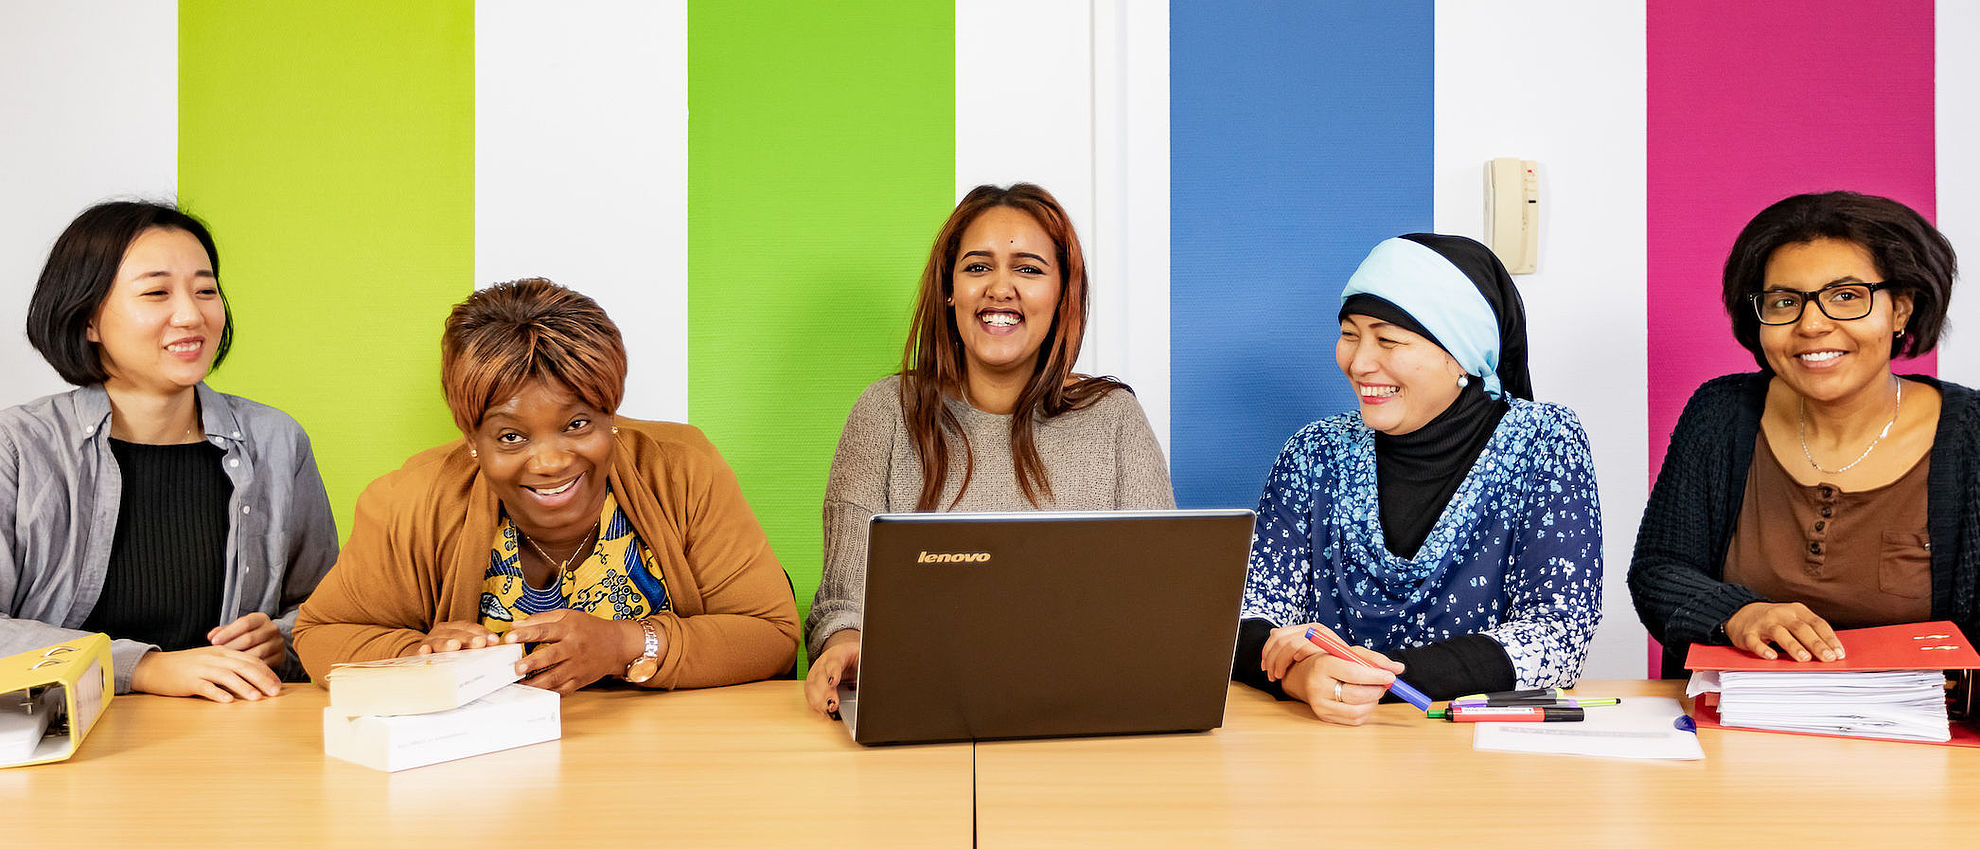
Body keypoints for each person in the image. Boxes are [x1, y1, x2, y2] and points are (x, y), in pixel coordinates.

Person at [294, 279, 797, 692]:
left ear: (609, 414)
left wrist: (626, 645)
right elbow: (321, 635)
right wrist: (419, 655)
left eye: (577, 424)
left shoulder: (681, 470)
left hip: (665, 765)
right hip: (483, 773)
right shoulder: (410, 500)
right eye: (511, 436)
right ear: (472, 438)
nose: (552, 461)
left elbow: (771, 634)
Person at [803, 183, 1175, 715]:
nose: (1001, 288)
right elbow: (843, 604)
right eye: (978, 267)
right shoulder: (884, 412)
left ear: (1061, 294)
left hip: (1083, 712)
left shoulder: (1115, 419)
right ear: (949, 290)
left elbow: (1158, 604)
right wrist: (844, 646)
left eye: (1028, 269)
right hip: (918, 709)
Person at [1233, 234, 1602, 725]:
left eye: (1388, 340)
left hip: (1476, 752)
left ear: (1463, 353)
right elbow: (1243, 615)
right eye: (1349, 334)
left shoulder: (1544, 441)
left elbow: (1558, 634)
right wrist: (1306, 673)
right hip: (1326, 745)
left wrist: (1362, 676)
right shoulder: (1313, 452)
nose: (1359, 362)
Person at [0, 201, 337, 702]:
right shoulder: (19, 445)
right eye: (157, 292)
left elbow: (328, 610)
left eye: (206, 290)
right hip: (64, 743)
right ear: (88, 319)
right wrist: (142, 668)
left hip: (233, 743)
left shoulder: (276, 440)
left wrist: (283, 641)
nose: (191, 314)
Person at [1630, 191, 1976, 677]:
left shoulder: (1972, 437)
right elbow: (1658, 571)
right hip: (1732, 727)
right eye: (1786, 301)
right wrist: (1737, 613)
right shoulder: (1720, 413)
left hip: (1923, 736)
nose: (1811, 324)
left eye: (1846, 297)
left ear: (1901, 309)